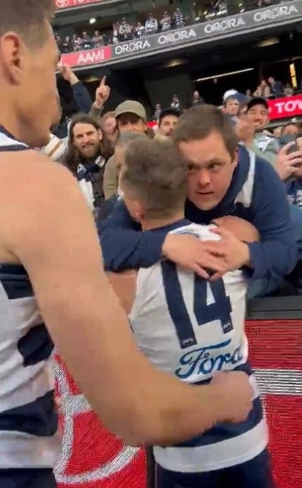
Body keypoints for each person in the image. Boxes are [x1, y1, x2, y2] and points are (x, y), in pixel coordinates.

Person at [0, 1, 254, 487]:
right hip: (5, 465)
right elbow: (134, 411)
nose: (57, 82)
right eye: (55, 62)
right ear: (15, 55)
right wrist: (226, 399)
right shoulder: (35, 183)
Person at [111, 137, 273, 488]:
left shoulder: (123, 277)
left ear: (135, 206)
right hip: (246, 430)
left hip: (182, 447)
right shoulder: (233, 238)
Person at [99, 105, 297, 299]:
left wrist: (245, 253)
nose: (204, 180)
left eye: (214, 165)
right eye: (190, 167)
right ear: (175, 160)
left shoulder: (260, 176)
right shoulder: (164, 172)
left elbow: (286, 254)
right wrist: (165, 244)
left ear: (235, 157)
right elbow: (105, 243)